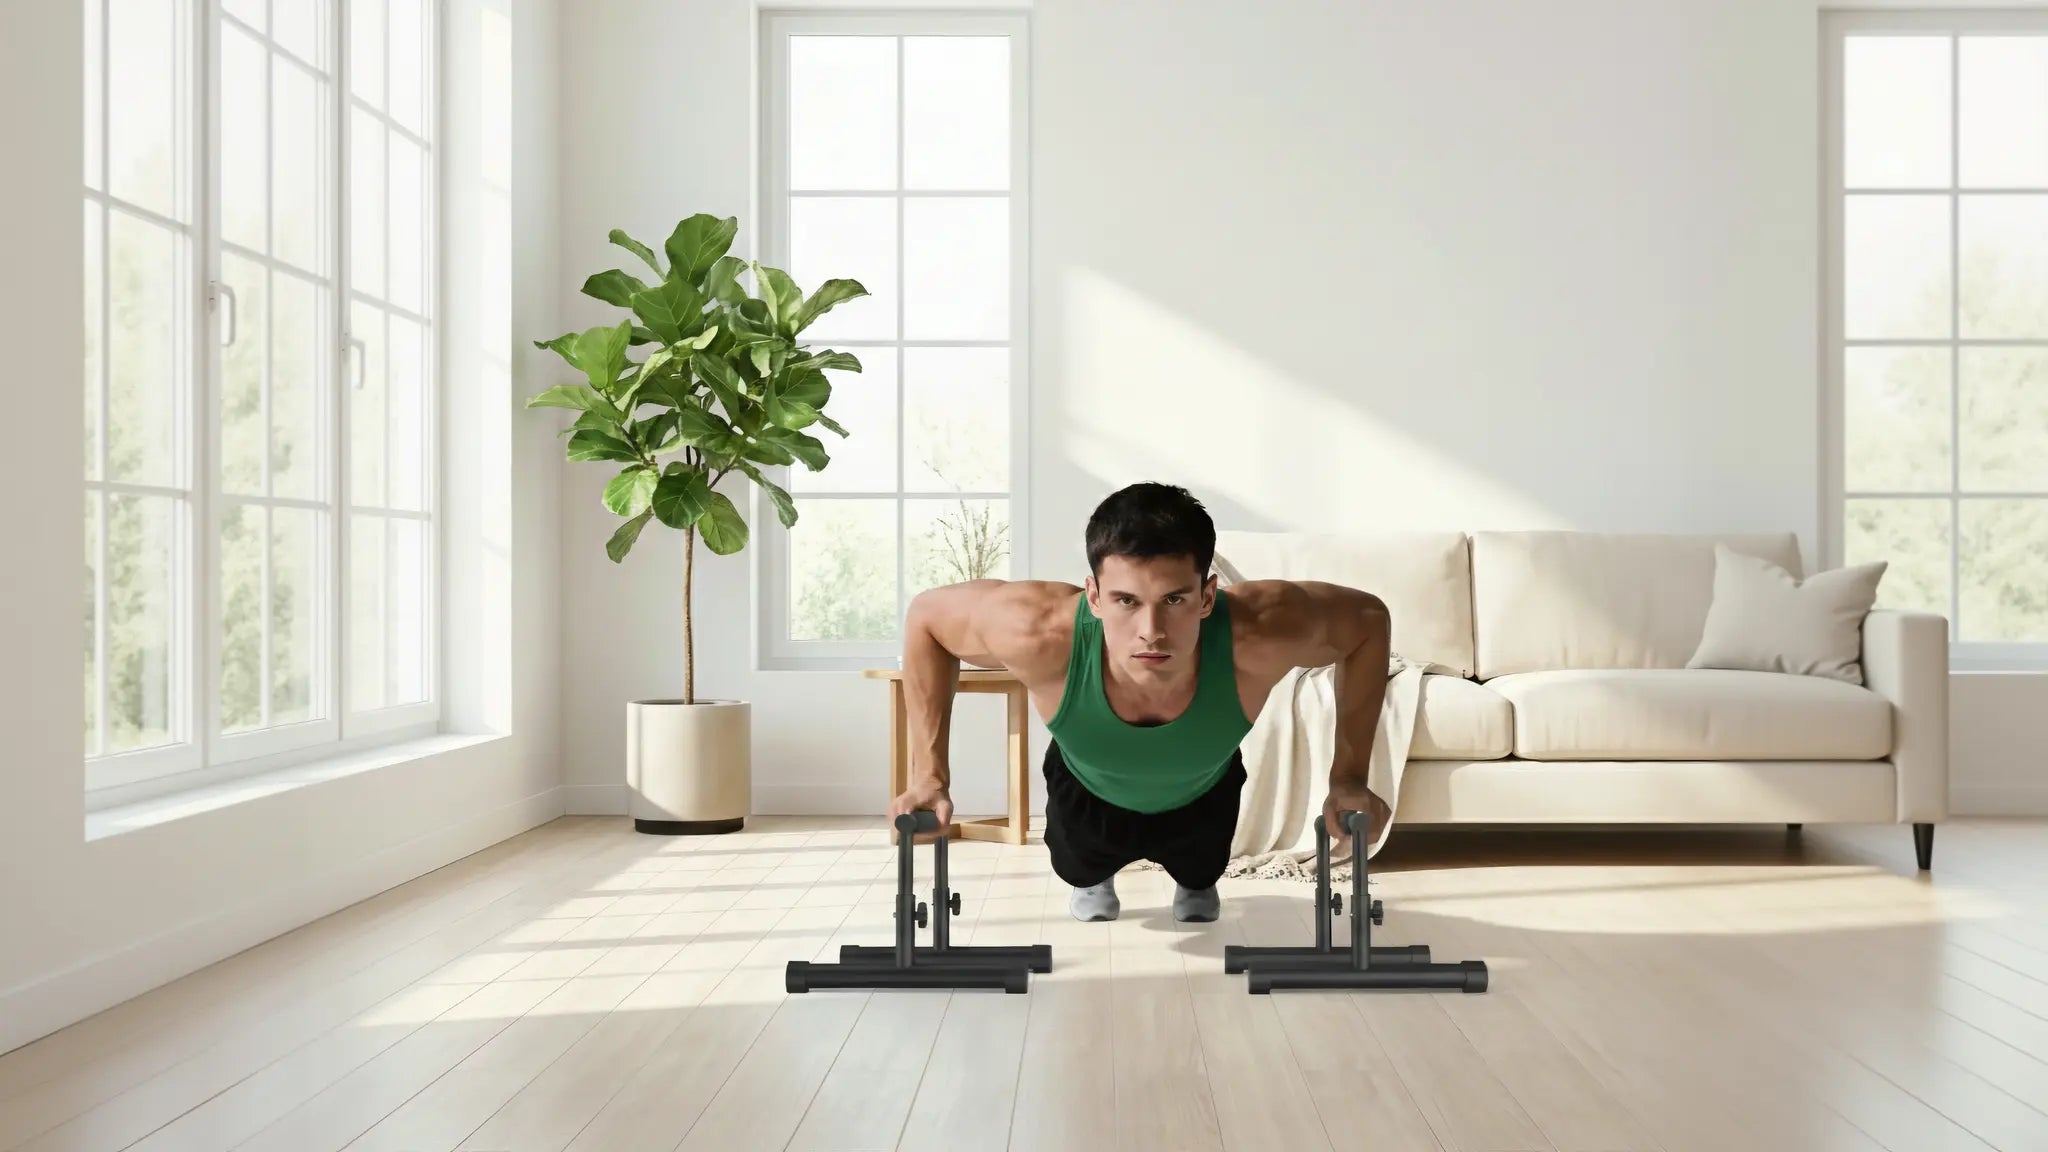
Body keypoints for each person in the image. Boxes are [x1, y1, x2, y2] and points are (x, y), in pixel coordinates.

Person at [887, 482, 1395, 923]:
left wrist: (1348, 779)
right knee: (1080, 870)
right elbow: (927, 618)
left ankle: (1195, 881)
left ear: (1207, 596)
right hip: (1086, 793)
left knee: (1200, 877)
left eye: (1174, 599)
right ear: (1094, 596)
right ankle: (1095, 879)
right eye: (1126, 600)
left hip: (1204, 792)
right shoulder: (1037, 630)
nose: (1151, 631)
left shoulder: (1258, 630)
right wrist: (930, 777)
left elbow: (1368, 621)